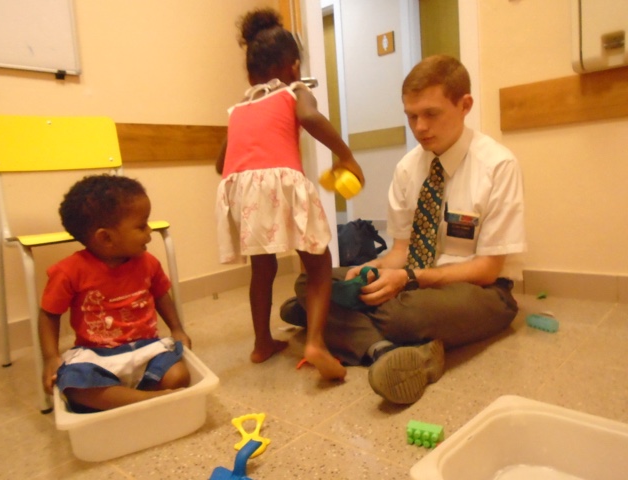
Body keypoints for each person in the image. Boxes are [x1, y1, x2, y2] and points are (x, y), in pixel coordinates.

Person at [281, 54, 526, 403]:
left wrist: (410, 279)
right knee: (312, 281)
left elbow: (487, 269)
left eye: (431, 114)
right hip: (413, 283)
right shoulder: (408, 168)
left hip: (481, 291)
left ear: (465, 105)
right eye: (411, 116)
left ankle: (334, 323)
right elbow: (401, 251)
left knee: (404, 315)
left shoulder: (498, 166)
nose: (420, 127)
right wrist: (373, 267)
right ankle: (384, 351)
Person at [215, 8, 364, 381]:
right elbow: (310, 118)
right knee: (318, 262)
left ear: (249, 75)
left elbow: (221, 163)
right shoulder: (294, 91)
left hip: (241, 189)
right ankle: (316, 342)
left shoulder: (239, 108)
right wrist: (346, 157)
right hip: (281, 181)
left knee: (262, 268)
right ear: (294, 67)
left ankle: (261, 343)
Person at [38, 174, 192, 412]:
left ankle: (123, 400)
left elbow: (161, 294)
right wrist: (50, 357)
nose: (150, 230)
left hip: (146, 348)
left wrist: (177, 329)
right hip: (96, 355)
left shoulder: (148, 262)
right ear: (106, 238)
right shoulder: (68, 272)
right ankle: (145, 400)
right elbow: (49, 314)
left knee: (179, 375)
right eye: (141, 225)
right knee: (72, 385)